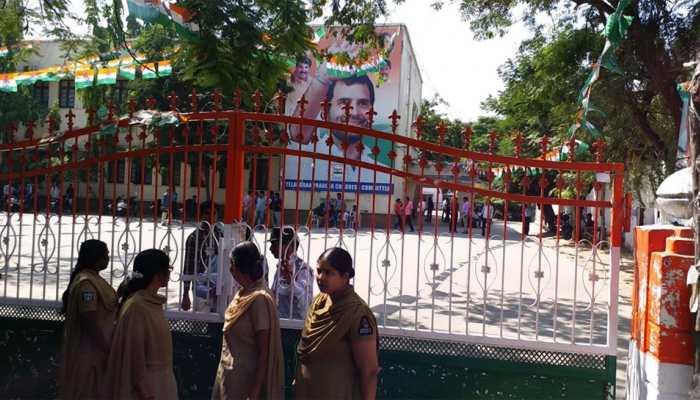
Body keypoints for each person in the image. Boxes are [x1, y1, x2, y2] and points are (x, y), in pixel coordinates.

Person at [294, 247, 380, 400]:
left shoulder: (357, 313)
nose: (321, 277)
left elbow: (369, 371)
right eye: (319, 271)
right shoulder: (318, 302)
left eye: (329, 273)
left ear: (345, 276)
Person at [212, 241, 284, 400]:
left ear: (237, 266)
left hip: (246, 382)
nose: (230, 269)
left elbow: (264, 352)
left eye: (231, 264)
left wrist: (254, 392)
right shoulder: (243, 293)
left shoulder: (259, 299)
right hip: (228, 377)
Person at [105, 249, 177, 400]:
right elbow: (134, 357)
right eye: (168, 269)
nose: (170, 274)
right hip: (149, 388)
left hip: (162, 383)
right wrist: (146, 393)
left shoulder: (150, 303)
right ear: (158, 273)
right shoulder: (137, 307)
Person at [58, 240, 116, 400]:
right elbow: (89, 319)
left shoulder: (94, 278)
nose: (108, 258)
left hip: (97, 348)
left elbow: (106, 306)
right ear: (96, 258)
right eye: (106, 255)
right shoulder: (86, 284)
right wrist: (105, 347)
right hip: (89, 351)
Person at [181, 201, 223, 312]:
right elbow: (188, 267)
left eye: (214, 213)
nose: (210, 216)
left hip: (218, 289)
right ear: (200, 215)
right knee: (200, 322)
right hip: (200, 289)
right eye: (207, 213)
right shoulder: (194, 238)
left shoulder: (221, 235)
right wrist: (185, 295)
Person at [269, 227, 313, 320]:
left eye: (274, 244)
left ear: (288, 245)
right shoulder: (280, 267)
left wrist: (291, 282)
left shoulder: (303, 269)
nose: (270, 248)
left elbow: (306, 304)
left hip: (294, 327)